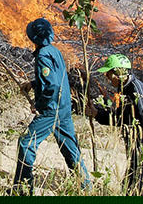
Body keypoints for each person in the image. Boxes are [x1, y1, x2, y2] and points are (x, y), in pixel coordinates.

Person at [13, 18, 90, 195]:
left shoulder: (42, 56)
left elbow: (52, 85)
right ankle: (86, 188)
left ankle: (23, 190)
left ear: (33, 38)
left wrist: (40, 105)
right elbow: (55, 78)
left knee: (26, 143)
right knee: (70, 148)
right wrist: (33, 84)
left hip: (52, 110)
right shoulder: (54, 51)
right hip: (64, 107)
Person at [88, 54, 143, 195]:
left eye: (108, 74)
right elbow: (121, 117)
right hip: (136, 145)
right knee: (130, 188)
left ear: (118, 73)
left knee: (139, 191)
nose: (107, 77)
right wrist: (97, 114)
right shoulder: (124, 88)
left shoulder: (136, 90)